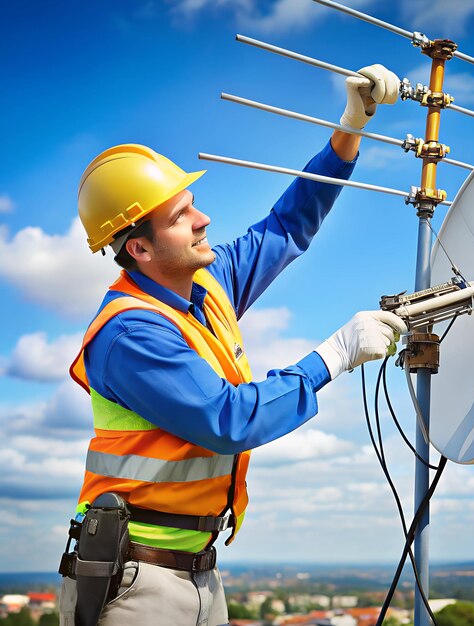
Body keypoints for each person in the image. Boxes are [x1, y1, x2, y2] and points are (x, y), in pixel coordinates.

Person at [59, 64, 407, 626]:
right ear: (140, 250)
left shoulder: (204, 286)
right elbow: (226, 420)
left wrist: (349, 129)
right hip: (135, 582)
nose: (204, 220)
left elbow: (287, 227)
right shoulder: (129, 334)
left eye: (193, 203)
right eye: (181, 216)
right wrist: (333, 357)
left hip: (197, 569)